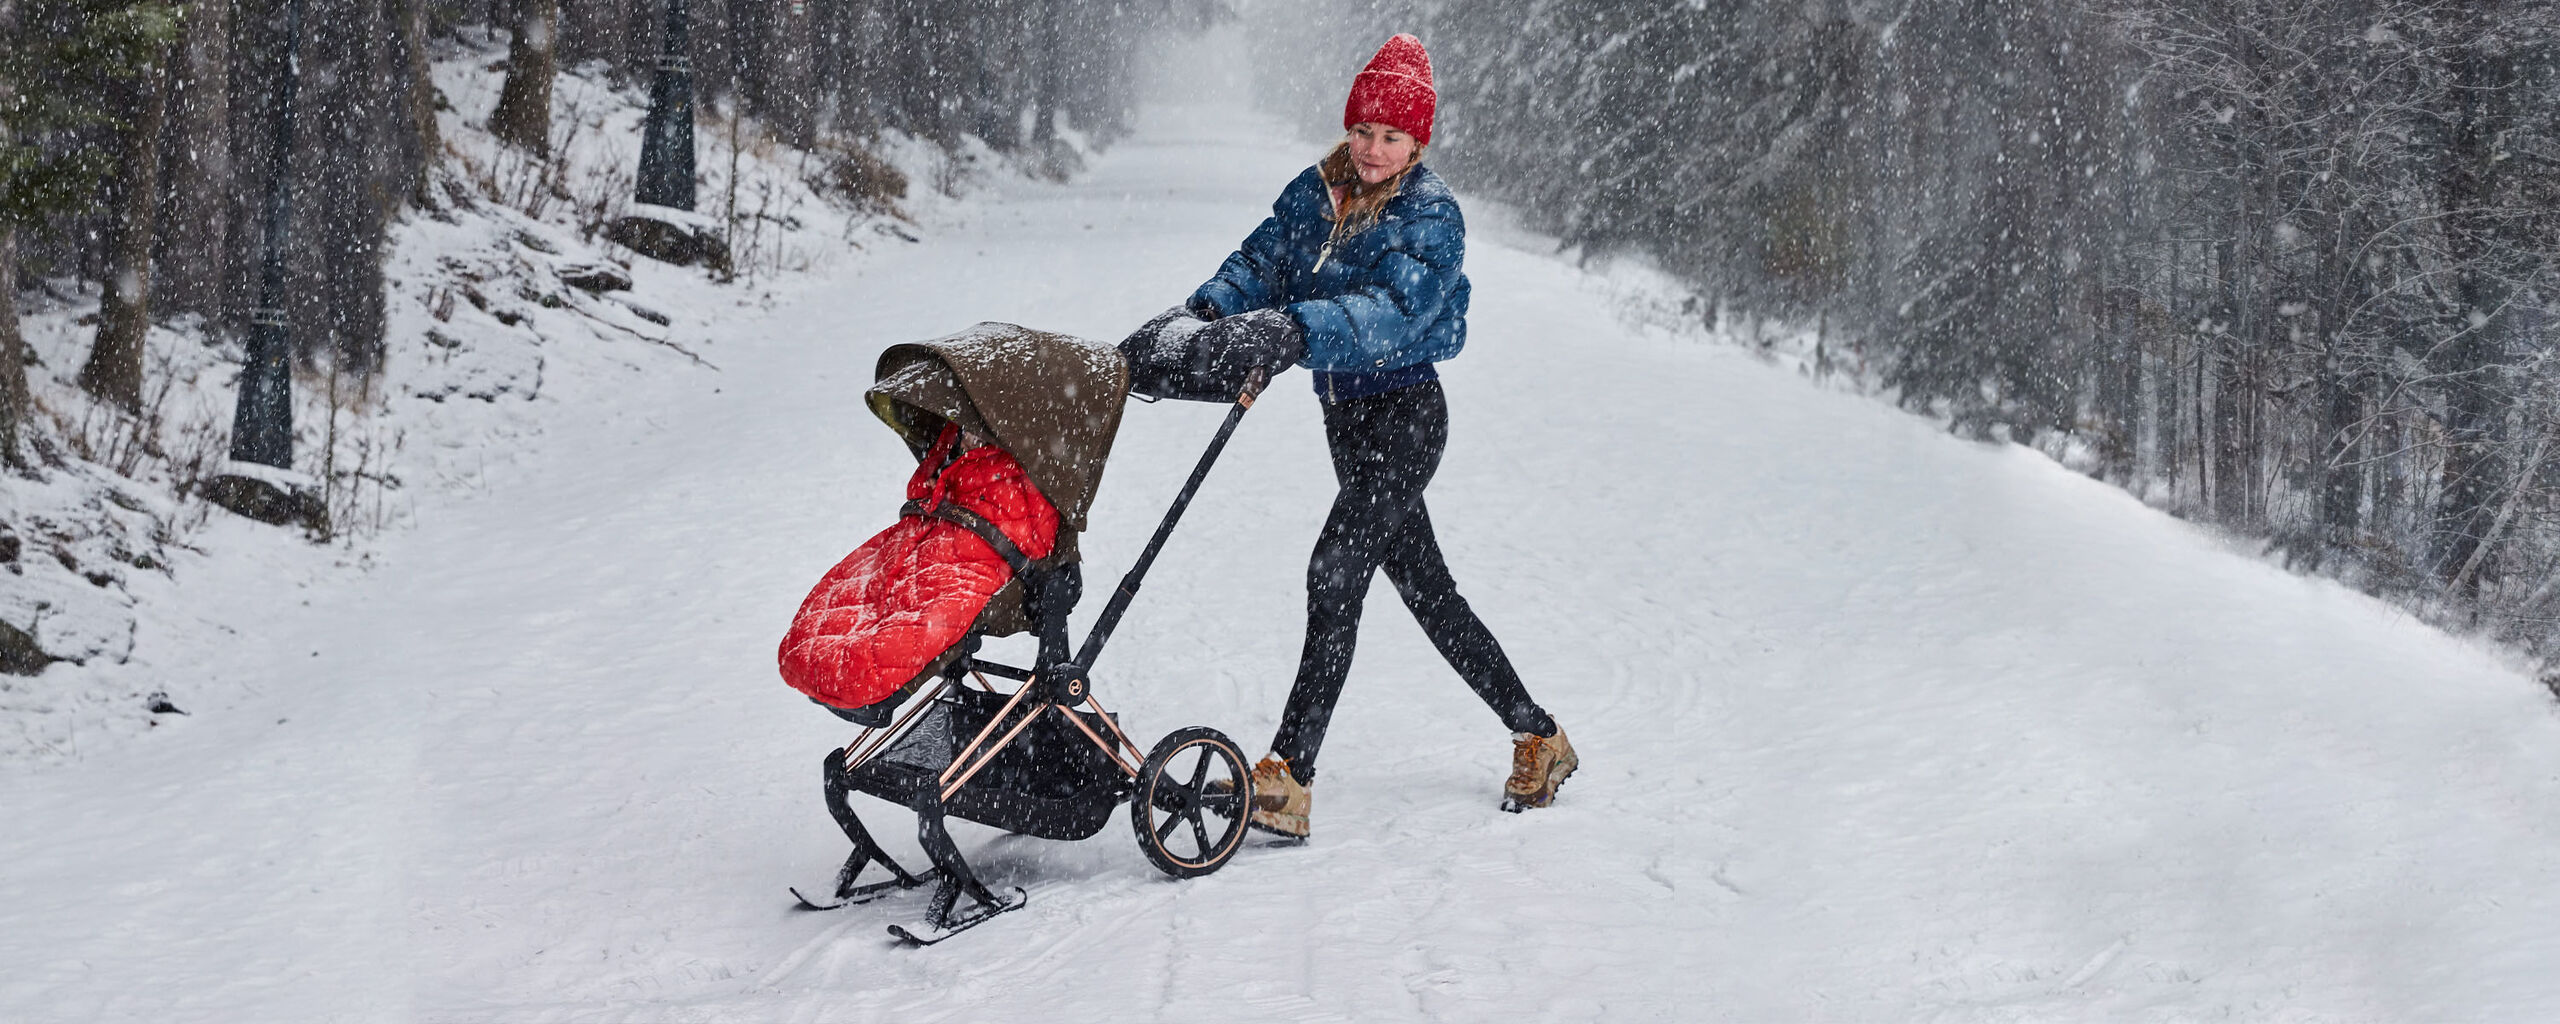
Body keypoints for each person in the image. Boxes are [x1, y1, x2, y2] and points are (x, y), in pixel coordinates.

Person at [1168, 33, 1574, 838]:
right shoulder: (1318, 191)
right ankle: (1539, 734)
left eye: (1391, 137)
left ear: (1417, 142)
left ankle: (1287, 779)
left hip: (1407, 417)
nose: (1373, 149)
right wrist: (1209, 311)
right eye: (1363, 131)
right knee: (1430, 593)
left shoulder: (1432, 217)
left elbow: (1390, 318)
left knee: (1335, 573)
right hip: (1346, 422)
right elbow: (1263, 259)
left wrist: (1293, 330)